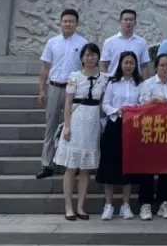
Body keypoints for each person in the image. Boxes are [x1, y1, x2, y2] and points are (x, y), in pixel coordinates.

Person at [53, 42, 104, 220]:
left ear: (98, 57)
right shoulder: (74, 77)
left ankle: (81, 206)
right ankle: (68, 206)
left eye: (93, 54)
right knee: (71, 167)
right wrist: (67, 125)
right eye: (87, 55)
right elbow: (68, 103)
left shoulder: (103, 78)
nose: (90, 58)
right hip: (76, 121)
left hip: (92, 124)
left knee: (85, 169)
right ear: (81, 58)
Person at [36, 8, 87, 179]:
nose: (68, 24)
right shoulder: (52, 42)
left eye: (71, 21)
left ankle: (72, 164)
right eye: (65, 21)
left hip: (73, 90)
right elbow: (45, 68)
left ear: (76, 24)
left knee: (73, 127)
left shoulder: (83, 43)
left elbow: (86, 68)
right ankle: (47, 164)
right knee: (50, 126)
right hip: (54, 87)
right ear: (60, 23)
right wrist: (41, 89)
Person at [97, 51, 143, 220]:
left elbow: (142, 103)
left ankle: (125, 205)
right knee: (110, 165)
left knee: (128, 166)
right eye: (126, 62)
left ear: (135, 65)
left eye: (131, 63)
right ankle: (108, 205)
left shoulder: (140, 83)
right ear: (120, 64)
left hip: (133, 127)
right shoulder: (113, 83)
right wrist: (117, 111)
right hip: (114, 125)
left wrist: (133, 110)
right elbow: (105, 104)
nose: (128, 65)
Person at [136, 53, 167, 220]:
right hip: (150, 130)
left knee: (166, 169)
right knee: (147, 167)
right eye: (161, 65)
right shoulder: (148, 84)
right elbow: (141, 104)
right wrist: (154, 101)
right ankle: (145, 204)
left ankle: (163, 202)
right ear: (156, 67)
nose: (165, 68)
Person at [100, 9, 152, 76]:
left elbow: (144, 65)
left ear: (135, 23)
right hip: (114, 81)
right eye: (125, 19)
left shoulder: (142, 42)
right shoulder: (109, 42)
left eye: (131, 20)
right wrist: (105, 80)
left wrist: (145, 82)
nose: (128, 22)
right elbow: (104, 64)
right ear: (120, 21)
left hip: (135, 81)